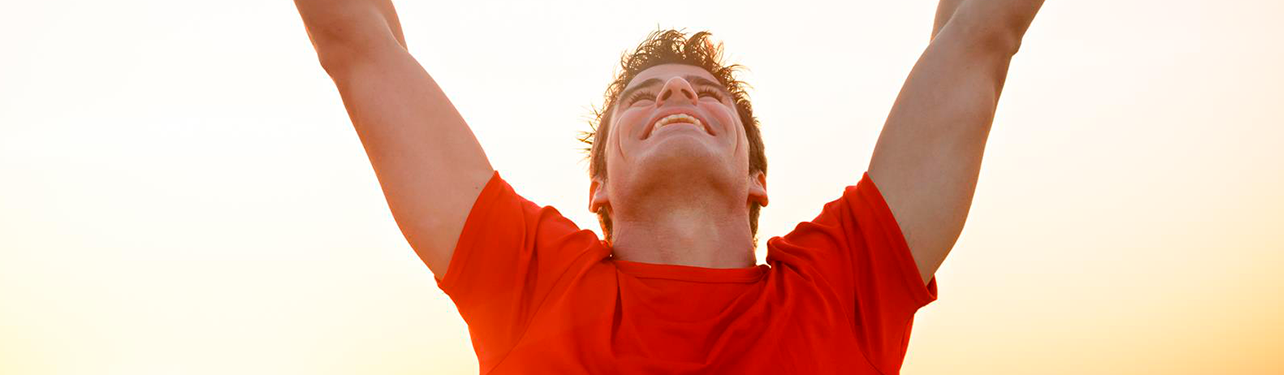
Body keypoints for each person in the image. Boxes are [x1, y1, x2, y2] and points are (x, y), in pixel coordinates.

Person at [294, 0, 1043, 373]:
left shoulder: (844, 281)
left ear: (757, 179)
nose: (677, 94)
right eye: (643, 97)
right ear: (599, 188)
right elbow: (358, 43)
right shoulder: (530, 280)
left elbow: (979, 37)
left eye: (706, 93)